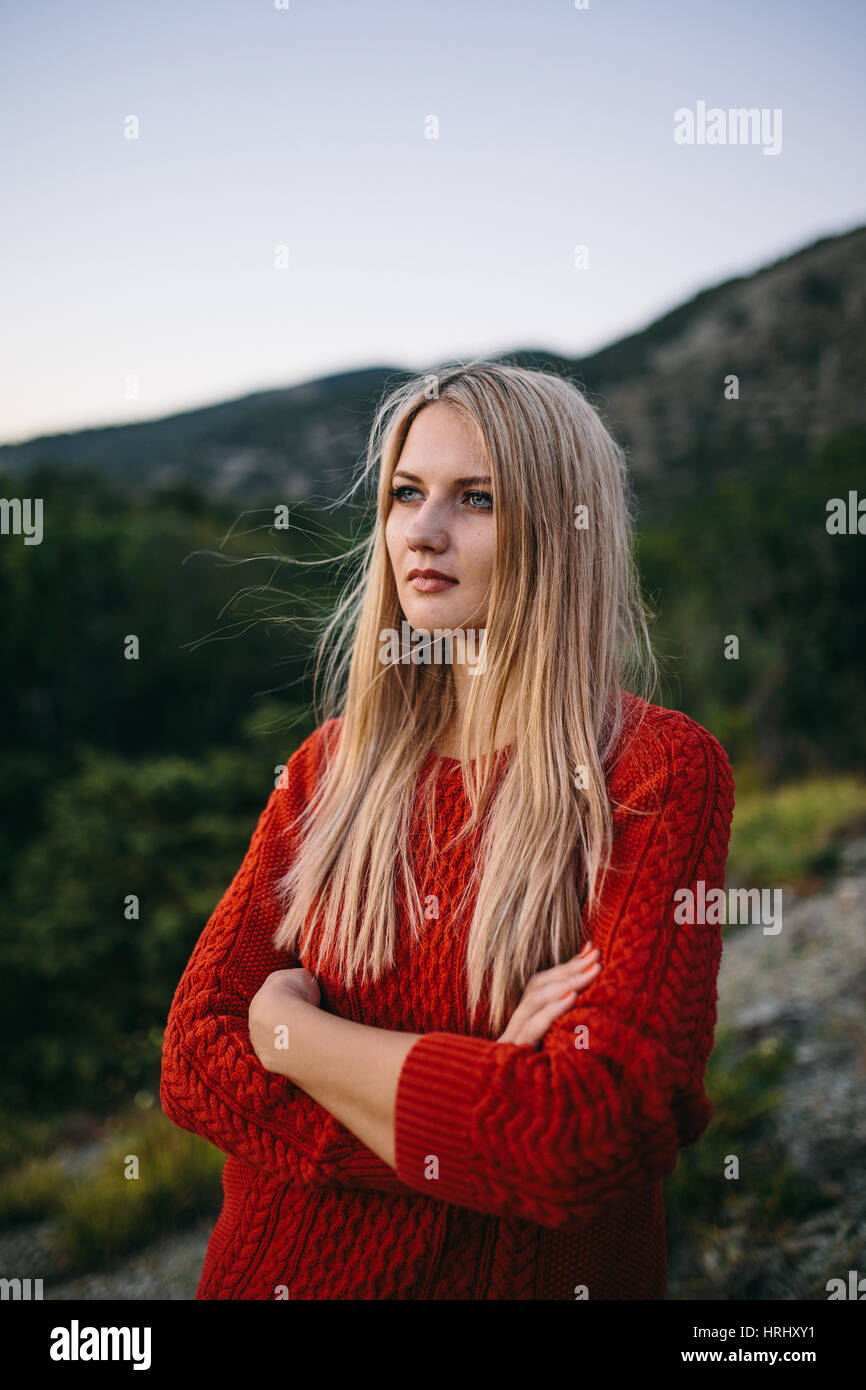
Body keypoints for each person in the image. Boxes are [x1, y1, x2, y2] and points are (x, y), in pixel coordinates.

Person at [160, 359, 735, 1299]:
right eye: (404, 494)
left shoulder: (657, 774)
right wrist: (478, 1113)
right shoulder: (329, 768)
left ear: (560, 529)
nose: (421, 533)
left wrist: (289, 1035)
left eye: (475, 499)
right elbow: (193, 1056)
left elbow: (589, 1137)